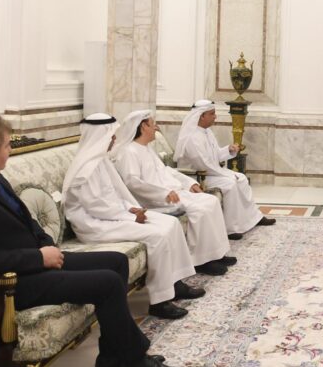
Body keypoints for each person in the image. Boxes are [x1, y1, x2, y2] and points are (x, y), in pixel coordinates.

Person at [0, 114, 186, 367]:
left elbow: (25, 220)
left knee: (116, 262)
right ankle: (135, 362)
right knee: (108, 282)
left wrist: (46, 244)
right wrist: (38, 258)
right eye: (7, 145)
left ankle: (111, 356)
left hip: (31, 262)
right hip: (10, 283)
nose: (10, 150)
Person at [63, 114, 204, 320]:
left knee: (171, 223)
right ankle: (159, 301)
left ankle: (175, 284)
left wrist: (132, 209)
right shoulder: (86, 167)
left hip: (113, 215)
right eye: (111, 135)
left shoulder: (101, 161)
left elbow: (116, 195)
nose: (114, 139)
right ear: (100, 136)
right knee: (157, 236)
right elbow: (96, 206)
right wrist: (130, 216)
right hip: (93, 225)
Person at [111, 110, 233, 276]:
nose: (156, 128)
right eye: (153, 124)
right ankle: (201, 260)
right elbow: (133, 183)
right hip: (156, 200)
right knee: (200, 209)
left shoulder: (146, 149)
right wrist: (164, 194)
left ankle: (216, 253)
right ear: (143, 126)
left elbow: (166, 171)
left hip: (172, 193)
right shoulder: (129, 152)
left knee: (210, 201)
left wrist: (190, 183)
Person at [173, 99, 274, 239]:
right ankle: (231, 229)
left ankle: (254, 218)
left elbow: (214, 156)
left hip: (210, 173)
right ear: (201, 116)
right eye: (212, 114)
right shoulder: (192, 137)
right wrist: (227, 174)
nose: (215, 117)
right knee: (230, 183)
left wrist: (228, 150)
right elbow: (203, 165)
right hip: (197, 177)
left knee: (242, 178)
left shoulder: (207, 132)